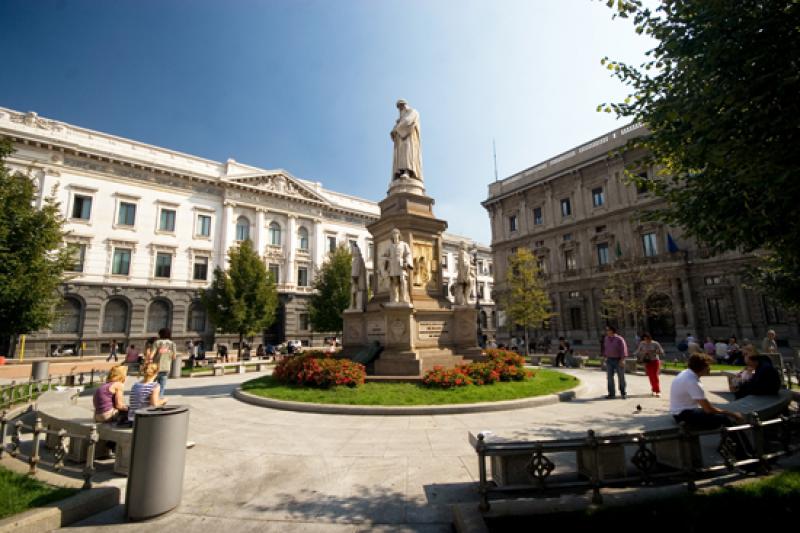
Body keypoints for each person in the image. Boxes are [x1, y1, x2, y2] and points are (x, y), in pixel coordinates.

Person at [670, 353, 746, 430]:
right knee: (724, 418)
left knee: (720, 414)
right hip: (683, 416)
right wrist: (733, 414)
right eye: (708, 366)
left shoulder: (687, 373)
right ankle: (740, 441)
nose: (710, 368)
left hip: (679, 412)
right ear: (703, 367)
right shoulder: (692, 381)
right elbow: (709, 410)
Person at [390, 99, 423, 181]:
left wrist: (397, 128)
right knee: (401, 156)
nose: (400, 110)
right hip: (400, 140)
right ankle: (400, 172)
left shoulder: (413, 111)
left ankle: (407, 172)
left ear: (404, 105)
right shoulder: (400, 119)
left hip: (409, 137)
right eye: (399, 108)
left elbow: (407, 121)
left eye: (400, 107)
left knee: (408, 154)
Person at [383, 228, 414, 304]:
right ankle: (395, 298)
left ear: (399, 235)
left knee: (403, 280)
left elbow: (408, 254)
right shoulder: (390, 246)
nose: (395, 235)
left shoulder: (404, 244)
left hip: (400, 264)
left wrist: (407, 262)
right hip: (393, 265)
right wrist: (386, 261)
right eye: (393, 234)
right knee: (394, 282)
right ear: (392, 236)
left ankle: (404, 297)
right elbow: (384, 256)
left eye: (396, 233)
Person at [603, 325, 628, 399]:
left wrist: (622, 360)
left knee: (621, 377)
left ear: (612, 331)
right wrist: (605, 357)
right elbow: (605, 348)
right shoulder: (606, 338)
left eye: (608, 330)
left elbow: (624, 350)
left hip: (619, 360)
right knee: (609, 377)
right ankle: (611, 393)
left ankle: (623, 392)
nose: (606, 331)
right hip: (609, 360)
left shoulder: (619, 339)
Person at [635, 332, 664, 397]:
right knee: (651, 376)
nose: (646, 340)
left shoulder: (655, 343)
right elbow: (638, 351)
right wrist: (642, 352)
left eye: (647, 339)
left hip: (655, 361)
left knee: (655, 376)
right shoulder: (642, 344)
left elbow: (661, 351)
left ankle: (658, 391)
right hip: (647, 362)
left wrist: (655, 351)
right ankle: (653, 390)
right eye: (644, 339)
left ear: (650, 338)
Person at [153, 328, 176, 396]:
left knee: (153, 385)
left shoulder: (157, 342)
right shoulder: (172, 344)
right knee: (162, 386)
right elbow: (174, 357)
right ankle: (159, 399)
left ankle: (152, 399)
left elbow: (151, 355)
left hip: (155, 367)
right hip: (166, 367)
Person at [350, 243, 368, 311]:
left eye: (352, 250)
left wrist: (353, 281)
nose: (351, 252)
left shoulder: (357, 259)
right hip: (360, 284)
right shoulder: (361, 259)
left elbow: (355, 274)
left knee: (353, 292)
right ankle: (354, 305)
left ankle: (353, 305)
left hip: (357, 284)